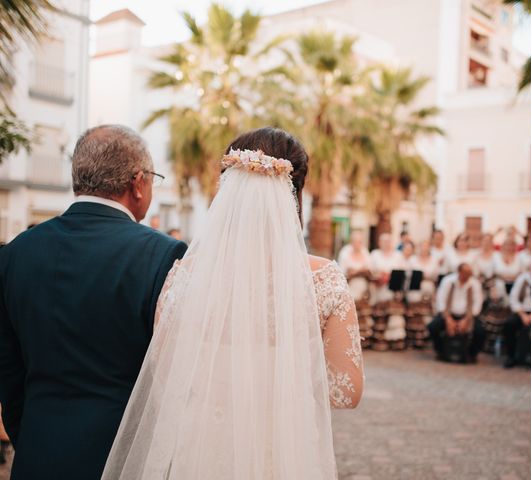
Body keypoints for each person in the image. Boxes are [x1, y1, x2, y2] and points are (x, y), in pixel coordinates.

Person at [102, 127, 364, 479]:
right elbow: (347, 391)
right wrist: (280, 378)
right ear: (295, 193)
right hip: (283, 450)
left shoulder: (184, 275)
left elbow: (165, 375)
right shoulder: (323, 279)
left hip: (203, 449)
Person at [0, 125, 188, 480]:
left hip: (37, 454)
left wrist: (34, 438)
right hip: (120, 459)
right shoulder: (163, 255)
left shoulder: (17, 253)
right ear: (137, 182)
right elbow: (171, 376)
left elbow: (9, 373)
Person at [429, 263, 485, 362]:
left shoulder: (475, 284)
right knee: (433, 327)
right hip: (448, 313)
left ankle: (472, 354)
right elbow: (440, 300)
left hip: (467, 315)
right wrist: (448, 319)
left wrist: (467, 319)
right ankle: (441, 351)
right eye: (465, 273)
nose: (467, 276)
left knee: (480, 332)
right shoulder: (448, 281)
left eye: (469, 274)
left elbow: (478, 304)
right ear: (459, 272)